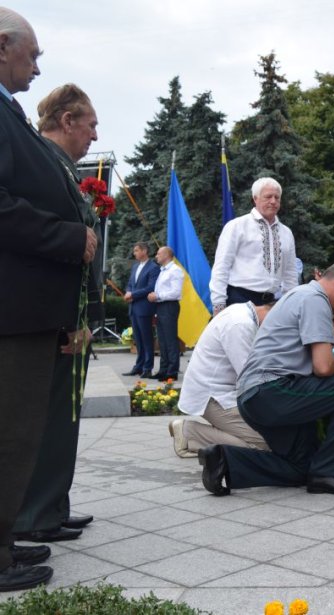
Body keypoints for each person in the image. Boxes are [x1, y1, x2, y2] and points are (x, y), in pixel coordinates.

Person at [0, 7, 98, 591]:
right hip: (13, 310)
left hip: (27, 310)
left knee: (18, 434)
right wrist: (68, 237)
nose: (38, 66)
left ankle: (7, 544)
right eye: (32, 55)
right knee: (8, 434)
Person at [196, 262, 334, 497]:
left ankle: (224, 461)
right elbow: (323, 367)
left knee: (301, 467)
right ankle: (330, 473)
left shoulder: (296, 295)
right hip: (273, 391)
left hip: (252, 396)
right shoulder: (315, 299)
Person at [12, 84, 101, 546]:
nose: (93, 134)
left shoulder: (62, 166)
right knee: (40, 421)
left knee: (59, 419)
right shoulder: (43, 160)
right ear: (67, 121)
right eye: (89, 124)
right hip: (40, 310)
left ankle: (50, 505)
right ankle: (33, 514)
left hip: (64, 310)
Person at [171, 301, 273, 457]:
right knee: (268, 443)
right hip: (214, 397)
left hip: (221, 392)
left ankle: (220, 433)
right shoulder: (241, 324)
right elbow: (252, 378)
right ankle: (190, 433)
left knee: (274, 436)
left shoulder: (242, 311)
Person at [210, 177, 298, 314]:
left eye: (277, 197)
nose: (273, 201)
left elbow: (290, 273)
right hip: (239, 299)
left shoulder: (286, 233)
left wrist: (291, 304)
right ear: (255, 198)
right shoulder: (237, 226)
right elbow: (222, 266)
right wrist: (218, 304)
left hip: (272, 303)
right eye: (268, 197)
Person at [122, 242, 160, 377]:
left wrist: (133, 295)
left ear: (144, 251)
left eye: (137, 250)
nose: (134, 253)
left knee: (146, 338)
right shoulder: (135, 267)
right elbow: (130, 284)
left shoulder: (153, 267)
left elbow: (151, 287)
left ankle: (147, 368)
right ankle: (138, 366)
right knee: (138, 339)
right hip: (133, 308)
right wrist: (128, 292)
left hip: (144, 308)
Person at [148, 246, 183, 380]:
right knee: (162, 340)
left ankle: (172, 371)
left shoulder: (175, 270)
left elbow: (176, 292)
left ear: (166, 255)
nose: (156, 256)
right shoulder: (163, 270)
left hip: (169, 306)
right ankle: (163, 369)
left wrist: (157, 295)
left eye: (158, 254)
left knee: (170, 339)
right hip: (161, 306)